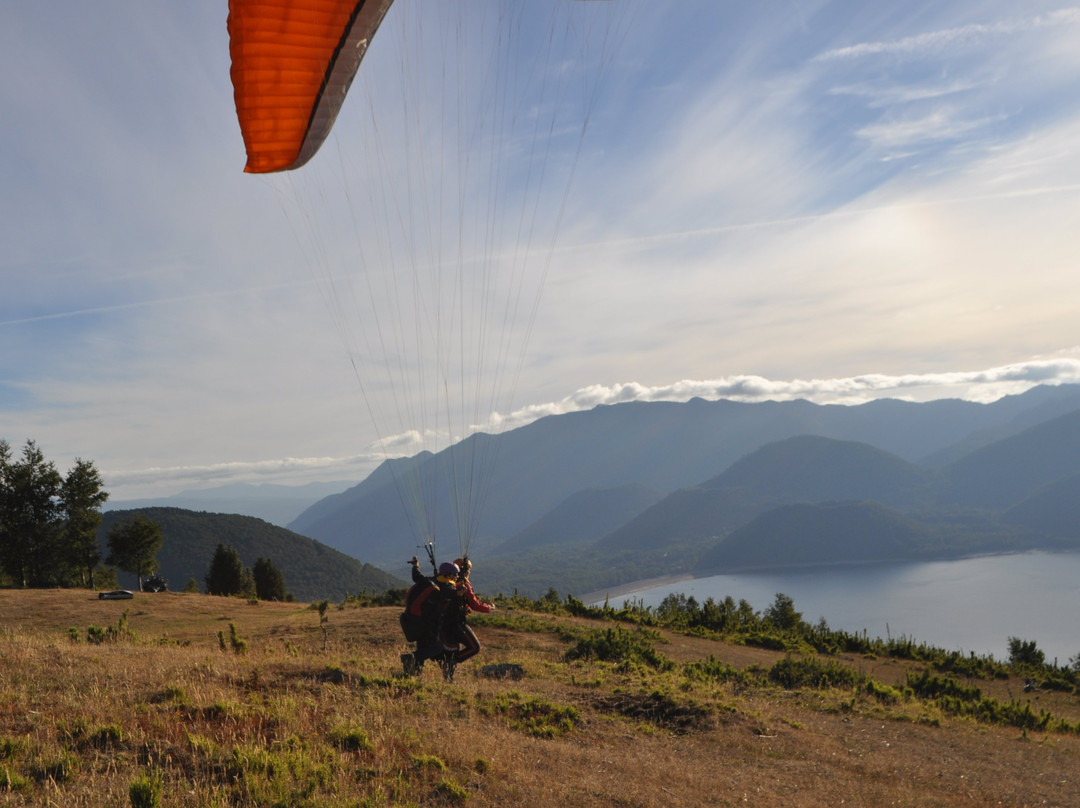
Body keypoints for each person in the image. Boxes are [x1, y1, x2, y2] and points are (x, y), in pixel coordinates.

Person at [445, 557, 494, 664]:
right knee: (474, 647)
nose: (469, 572)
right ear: (465, 571)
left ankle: (449, 664)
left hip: (446, 620)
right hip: (457, 622)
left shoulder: (450, 582)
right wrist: (489, 607)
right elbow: (475, 604)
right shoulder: (463, 585)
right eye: (468, 570)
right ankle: (451, 662)